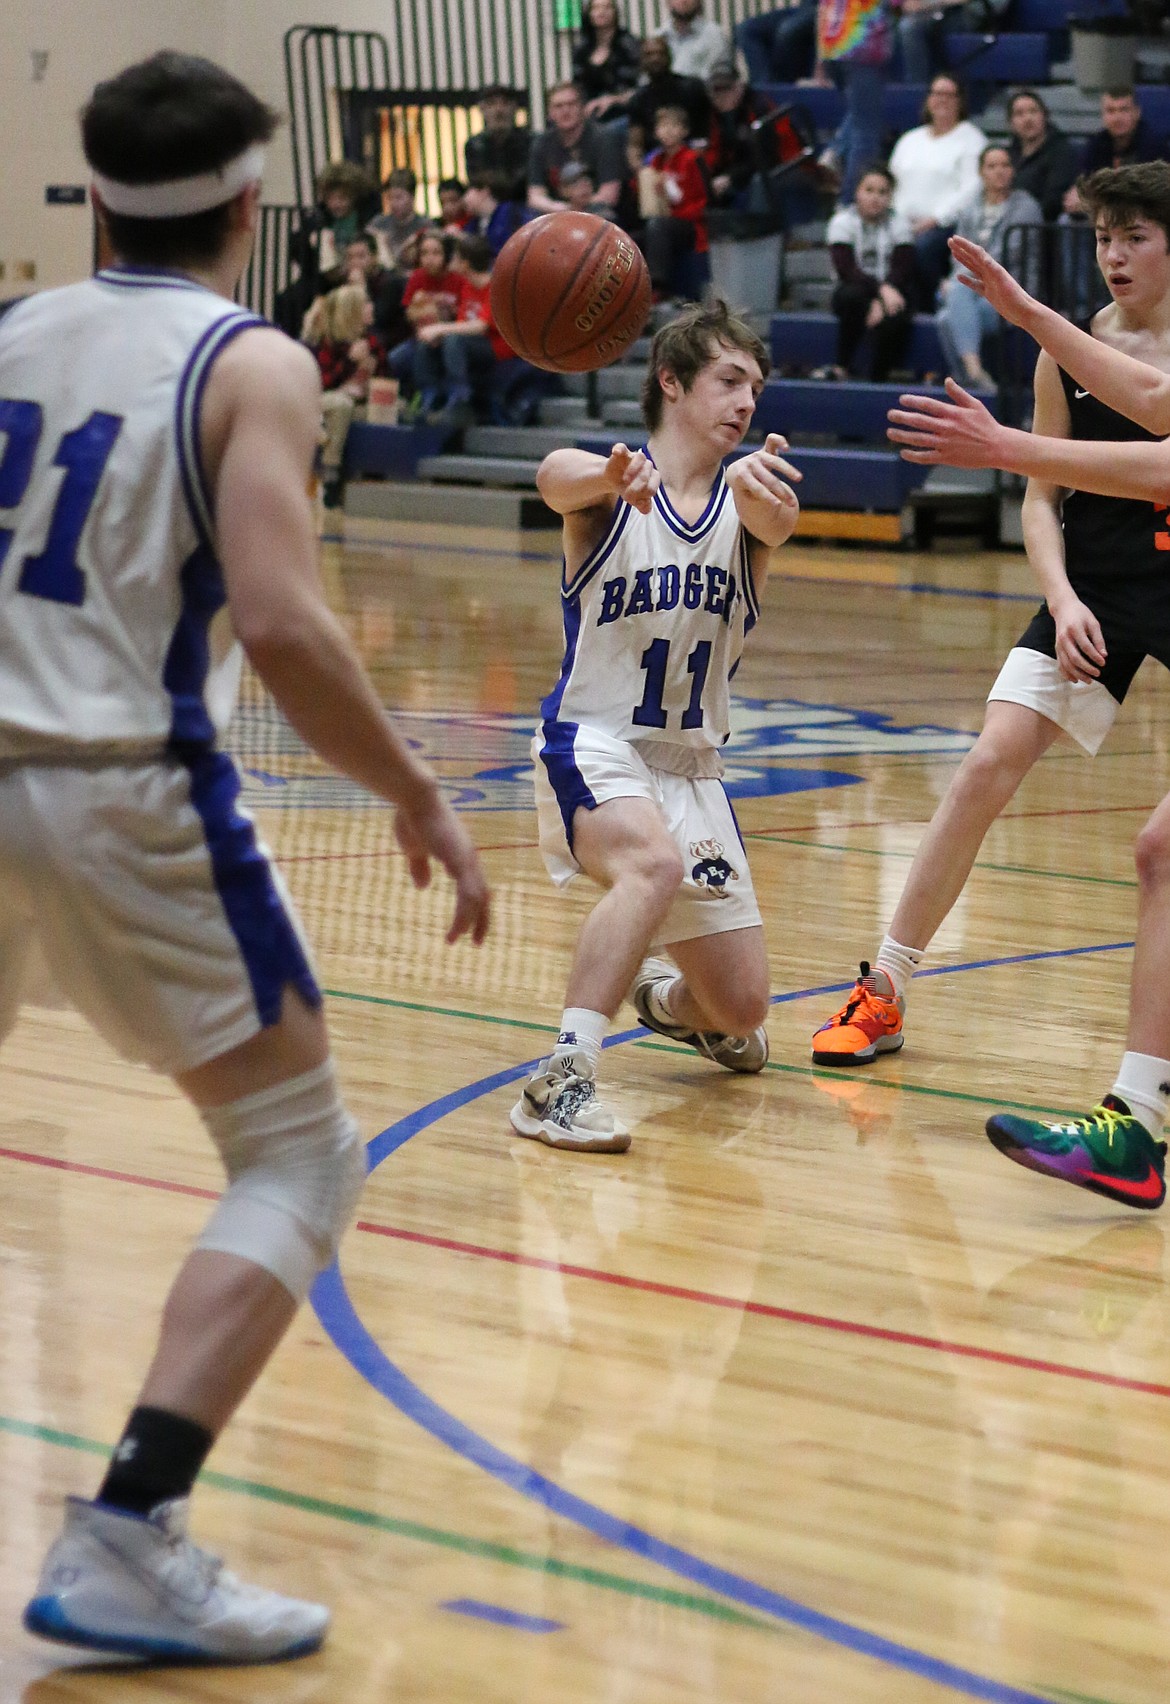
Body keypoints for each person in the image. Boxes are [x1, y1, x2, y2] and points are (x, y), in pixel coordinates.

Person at [1, 49, 488, 1663]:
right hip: (115, 783)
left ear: (90, 196)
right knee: (298, 1150)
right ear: (250, 204)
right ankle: (130, 1525)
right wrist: (417, 787)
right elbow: (278, 618)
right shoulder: (248, 358)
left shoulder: (11, 335)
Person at [819, 166, 1170, 1214]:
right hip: (1102, 582)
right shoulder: (1076, 346)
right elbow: (1041, 500)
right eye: (1103, 233)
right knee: (987, 761)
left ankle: (1138, 1116)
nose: (1114, 250)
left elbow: (1157, 432)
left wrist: (1019, 318)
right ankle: (883, 988)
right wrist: (1060, 596)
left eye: (1136, 233)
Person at [513, 301, 801, 1152]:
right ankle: (559, 1084)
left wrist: (769, 500)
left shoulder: (747, 505)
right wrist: (609, 477)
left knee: (743, 1015)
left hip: (693, 767)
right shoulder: (608, 488)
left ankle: (659, 999)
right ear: (671, 384)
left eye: (755, 386)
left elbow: (779, 525)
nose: (746, 401)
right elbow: (551, 476)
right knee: (651, 862)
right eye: (728, 380)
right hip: (594, 740)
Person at [936, 143, 1041, 390]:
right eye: (992, 166)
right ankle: (976, 379)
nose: (999, 171)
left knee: (949, 313)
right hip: (973, 290)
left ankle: (968, 381)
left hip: (1010, 292)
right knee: (944, 316)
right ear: (981, 172)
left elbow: (1005, 255)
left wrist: (958, 279)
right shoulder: (971, 206)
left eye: (1005, 165)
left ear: (1013, 170)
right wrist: (958, 278)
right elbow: (957, 250)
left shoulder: (1026, 206)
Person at [888, 74, 987, 304]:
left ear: (960, 101)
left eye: (949, 95)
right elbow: (892, 181)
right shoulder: (909, 139)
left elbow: (972, 188)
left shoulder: (971, 139)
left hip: (945, 225)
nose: (942, 100)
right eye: (936, 94)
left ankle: (927, 306)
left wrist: (935, 219)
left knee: (921, 249)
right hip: (902, 222)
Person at [410, 233, 513, 431]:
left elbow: (481, 326)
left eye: (456, 258)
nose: (451, 261)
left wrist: (440, 328)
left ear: (465, 264)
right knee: (428, 342)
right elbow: (462, 322)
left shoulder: (495, 286)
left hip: (496, 346)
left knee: (451, 339)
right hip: (472, 343)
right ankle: (429, 396)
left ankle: (461, 401)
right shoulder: (467, 285)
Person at [824, 162, 915, 381]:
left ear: (891, 197)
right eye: (869, 190)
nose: (875, 197)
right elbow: (846, 269)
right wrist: (881, 293)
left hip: (893, 289)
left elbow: (903, 267)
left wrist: (885, 297)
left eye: (883, 192)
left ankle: (878, 378)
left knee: (896, 312)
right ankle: (842, 365)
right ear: (857, 193)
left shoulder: (900, 224)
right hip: (854, 290)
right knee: (852, 296)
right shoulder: (841, 222)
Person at [302, 282, 385, 507]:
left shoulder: (373, 341)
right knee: (341, 404)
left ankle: (374, 475)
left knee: (384, 410)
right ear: (352, 311)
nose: (371, 307)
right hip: (320, 400)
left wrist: (373, 380)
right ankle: (330, 474)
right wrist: (349, 362)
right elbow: (320, 383)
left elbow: (387, 379)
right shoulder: (327, 342)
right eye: (365, 304)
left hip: (357, 400)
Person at [815, 0, 893, 206]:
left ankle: (835, 148)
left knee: (859, 115)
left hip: (834, 46)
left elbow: (823, 9)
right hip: (863, 50)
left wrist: (820, 57)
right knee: (866, 134)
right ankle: (850, 203)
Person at [641, 105, 710, 299]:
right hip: (665, 219)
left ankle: (657, 286)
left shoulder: (692, 159)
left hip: (691, 225)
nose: (668, 131)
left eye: (674, 126)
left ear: (685, 131)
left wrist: (670, 191)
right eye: (663, 126)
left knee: (657, 227)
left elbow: (703, 203)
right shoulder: (656, 161)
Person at [528, 81, 626, 215]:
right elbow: (535, 197)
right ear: (549, 113)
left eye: (571, 104)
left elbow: (609, 195)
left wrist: (575, 212)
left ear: (582, 108)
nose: (565, 110)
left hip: (598, 212)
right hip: (559, 211)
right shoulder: (541, 143)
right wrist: (563, 209)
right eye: (558, 106)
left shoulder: (604, 138)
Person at [626, 37, 712, 167]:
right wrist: (642, 172)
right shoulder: (638, 99)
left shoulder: (693, 88)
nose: (655, 59)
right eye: (649, 54)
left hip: (694, 161)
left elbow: (708, 133)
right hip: (655, 165)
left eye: (660, 53)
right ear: (641, 60)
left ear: (670, 57)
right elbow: (635, 146)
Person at [1005, 88, 1080, 223]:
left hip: (1043, 228)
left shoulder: (1061, 151)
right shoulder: (1008, 155)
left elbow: (1053, 201)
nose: (1027, 119)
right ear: (1011, 123)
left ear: (1045, 116)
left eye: (1033, 111)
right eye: (1019, 114)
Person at [895, 0, 1011, 87]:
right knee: (895, 26)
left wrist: (927, 3)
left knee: (910, 27)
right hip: (936, 11)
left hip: (971, 12)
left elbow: (998, 5)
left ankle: (918, 93)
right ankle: (917, 92)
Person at [572, 0, 643, 124]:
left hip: (623, 111)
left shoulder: (629, 44)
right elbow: (577, 86)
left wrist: (615, 99)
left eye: (607, 7)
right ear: (589, 14)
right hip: (589, 112)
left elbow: (640, 86)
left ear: (615, 13)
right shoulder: (582, 49)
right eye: (596, 8)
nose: (601, 12)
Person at [464, 84, 532, 206]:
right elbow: (476, 182)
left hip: (524, 205)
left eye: (505, 103)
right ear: (482, 109)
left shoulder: (529, 141)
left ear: (514, 107)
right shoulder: (474, 145)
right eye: (492, 104)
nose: (499, 110)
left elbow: (524, 182)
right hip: (489, 206)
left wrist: (491, 179)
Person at [735, 0, 818, 87]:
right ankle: (764, 90)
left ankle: (780, 90)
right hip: (806, 7)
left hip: (828, 9)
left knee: (787, 30)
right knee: (745, 30)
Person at [368, 166, 432, 269]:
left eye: (399, 197)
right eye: (390, 198)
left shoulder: (425, 225)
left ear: (412, 196)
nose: (393, 203)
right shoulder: (378, 224)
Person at [657, 0, 733, 82]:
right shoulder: (658, 37)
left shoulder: (714, 35)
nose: (683, 1)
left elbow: (720, 75)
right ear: (668, 2)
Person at [464, 169, 526, 256]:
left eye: (468, 191)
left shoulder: (510, 214)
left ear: (484, 191)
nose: (465, 198)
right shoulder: (474, 223)